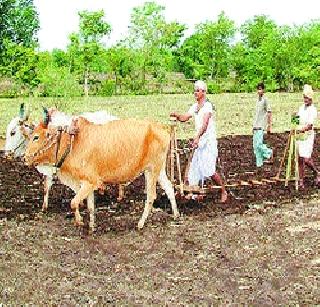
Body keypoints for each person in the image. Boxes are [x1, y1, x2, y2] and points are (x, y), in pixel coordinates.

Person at [170, 80, 227, 203]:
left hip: (208, 142)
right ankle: (195, 194)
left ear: (204, 92)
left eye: (197, 91)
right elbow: (186, 117)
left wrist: (197, 137)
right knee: (193, 170)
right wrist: (177, 116)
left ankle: (223, 191)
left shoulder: (207, 106)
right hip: (199, 143)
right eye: (195, 90)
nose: (195, 93)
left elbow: (205, 124)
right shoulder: (195, 107)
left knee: (209, 170)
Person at [296, 84, 320, 188]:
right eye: (304, 97)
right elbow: (297, 119)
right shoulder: (301, 108)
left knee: (306, 158)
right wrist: (294, 122)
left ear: (310, 99)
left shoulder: (313, 110)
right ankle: (301, 180)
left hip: (308, 135)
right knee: (300, 158)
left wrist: (301, 129)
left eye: (307, 98)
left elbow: (310, 125)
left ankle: (316, 172)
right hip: (300, 136)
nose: (305, 100)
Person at [252, 82, 273, 168]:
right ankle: (259, 164)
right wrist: (253, 126)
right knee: (255, 147)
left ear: (264, 90)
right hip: (256, 126)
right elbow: (256, 115)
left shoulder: (265, 100)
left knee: (259, 145)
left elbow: (269, 112)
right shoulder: (257, 101)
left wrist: (269, 125)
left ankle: (269, 152)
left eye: (261, 89)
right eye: (258, 89)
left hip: (261, 126)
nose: (259, 91)